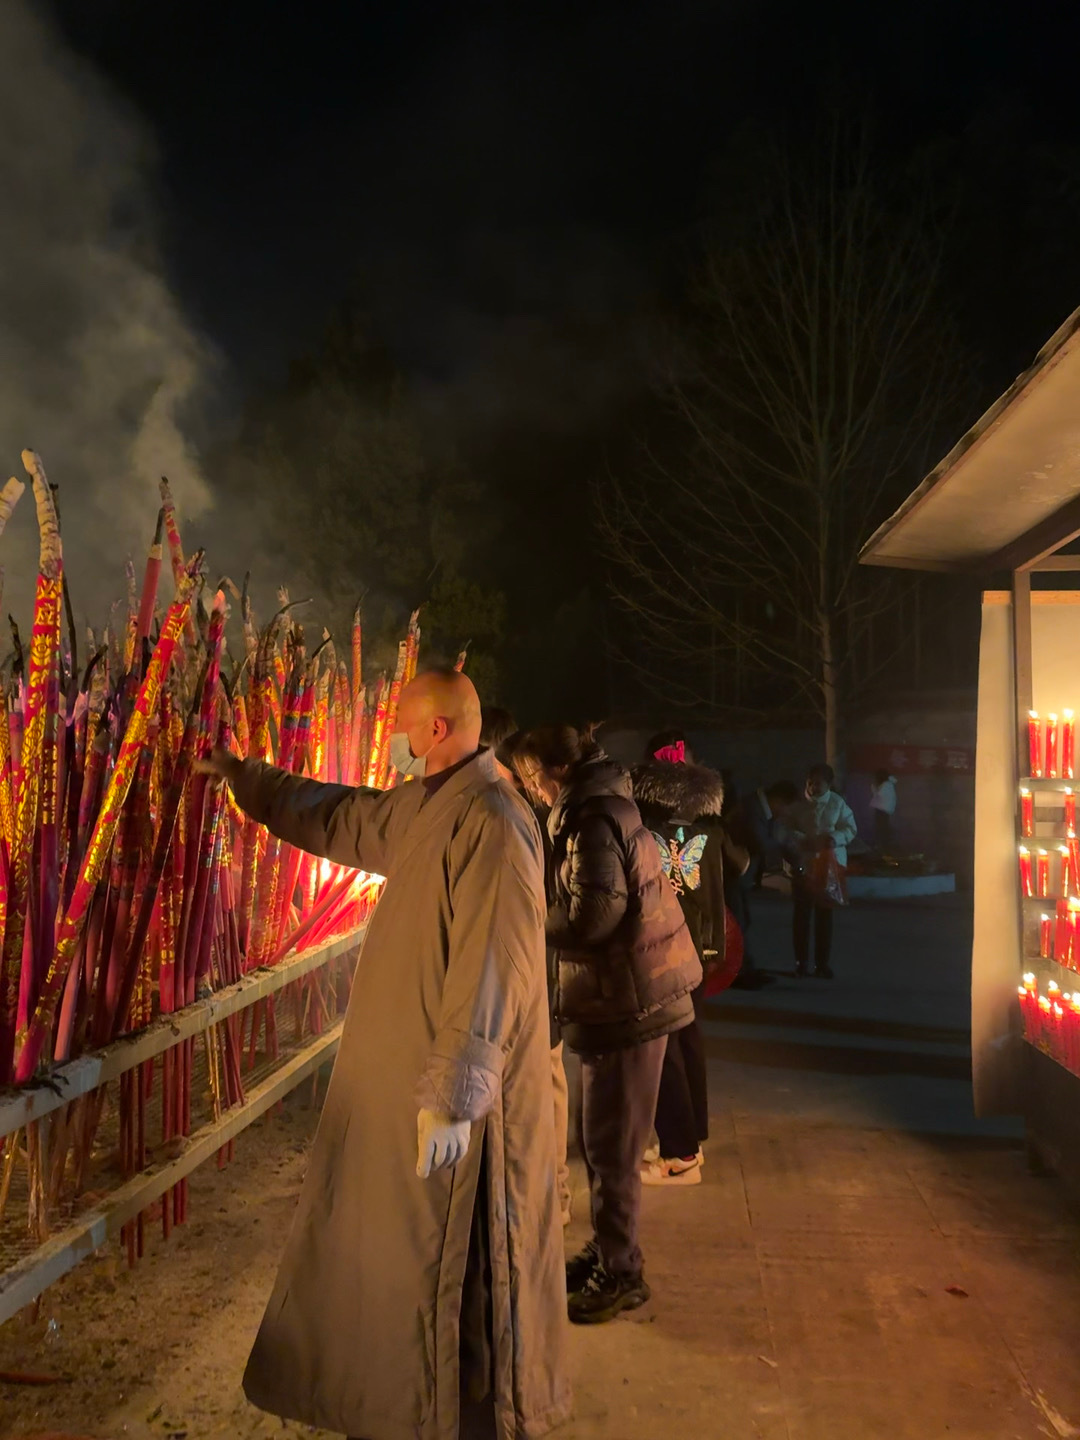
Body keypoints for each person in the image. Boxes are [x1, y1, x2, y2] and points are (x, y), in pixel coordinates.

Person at [198, 670, 570, 1440]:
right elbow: (339, 816)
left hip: (468, 1107)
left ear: (435, 732)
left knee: (462, 1278)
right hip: (422, 1083)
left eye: (403, 726)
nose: (396, 742)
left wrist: (457, 1095)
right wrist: (247, 780)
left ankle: (461, 1422)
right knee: (410, 1272)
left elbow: (493, 962)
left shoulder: (493, 820)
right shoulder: (428, 805)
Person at [512, 725, 701, 1325]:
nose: (531, 791)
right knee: (604, 1145)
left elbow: (596, 915)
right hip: (626, 995)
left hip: (629, 1000)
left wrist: (528, 916)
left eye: (530, 778)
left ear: (553, 770)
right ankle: (612, 1249)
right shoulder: (600, 804)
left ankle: (621, 1273)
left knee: (612, 1147)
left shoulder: (591, 819)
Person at [480, 705, 572, 1227]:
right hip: (535, 966)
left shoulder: (522, 811)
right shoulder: (521, 806)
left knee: (543, 1087)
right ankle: (545, 1197)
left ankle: (551, 1198)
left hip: (536, 968)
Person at [632, 731, 729, 1186]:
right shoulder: (711, 823)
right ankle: (693, 1137)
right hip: (703, 946)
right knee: (688, 1039)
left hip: (663, 944)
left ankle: (680, 1153)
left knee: (665, 1044)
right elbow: (743, 863)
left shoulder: (641, 821)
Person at [787, 763, 857, 980]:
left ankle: (822, 964)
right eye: (810, 783)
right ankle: (801, 963)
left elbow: (850, 828)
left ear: (829, 784)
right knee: (801, 916)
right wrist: (801, 840)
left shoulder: (837, 804)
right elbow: (785, 828)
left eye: (818, 783)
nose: (813, 787)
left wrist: (834, 838)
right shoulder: (797, 804)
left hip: (829, 869)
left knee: (824, 917)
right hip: (803, 867)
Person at [870, 768, 898, 850]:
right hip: (884, 809)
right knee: (882, 827)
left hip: (882, 810)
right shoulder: (888, 784)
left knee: (882, 828)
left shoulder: (886, 785)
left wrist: (874, 788)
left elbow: (879, 795)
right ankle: (884, 845)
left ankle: (884, 846)